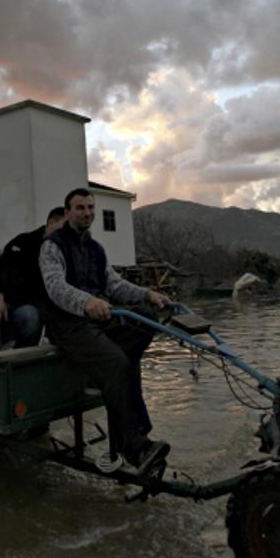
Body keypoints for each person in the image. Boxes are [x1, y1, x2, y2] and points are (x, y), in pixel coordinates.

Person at [41, 187, 172, 475]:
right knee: (117, 363)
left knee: (145, 320)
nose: (87, 213)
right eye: (80, 208)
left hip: (98, 321)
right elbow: (55, 287)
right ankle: (133, 446)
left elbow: (114, 285)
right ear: (68, 213)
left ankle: (128, 417)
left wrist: (147, 294)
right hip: (67, 324)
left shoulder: (96, 248)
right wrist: (86, 302)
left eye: (90, 207)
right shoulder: (53, 245)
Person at [0, 207, 66, 356]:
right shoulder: (24, 241)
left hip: (22, 306)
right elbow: (2, 270)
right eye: (63, 228)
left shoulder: (61, 253)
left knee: (32, 317)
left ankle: (18, 365)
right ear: (51, 222)